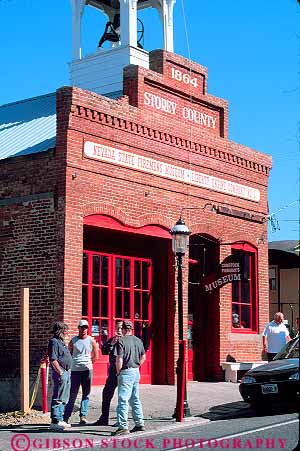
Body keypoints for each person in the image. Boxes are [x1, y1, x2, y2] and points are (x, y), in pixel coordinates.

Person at [63, 319, 98, 425]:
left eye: (86, 327)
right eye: (82, 327)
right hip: (75, 370)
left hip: (87, 370)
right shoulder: (73, 341)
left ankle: (83, 415)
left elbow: (96, 356)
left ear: (88, 328)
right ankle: (66, 417)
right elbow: (69, 354)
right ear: (78, 328)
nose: (84, 329)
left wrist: (88, 363)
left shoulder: (91, 340)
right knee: (72, 394)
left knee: (86, 393)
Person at [114, 320, 146, 435]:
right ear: (131, 329)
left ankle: (123, 426)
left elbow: (119, 359)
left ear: (122, 329)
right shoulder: (138, 340)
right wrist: (137, 365)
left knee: (123, 399)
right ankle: (139, 423)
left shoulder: (121, 341)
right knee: (135, 398)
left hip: (126, 371)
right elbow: (143, 356)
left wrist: (118, 372)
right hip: (136, 371)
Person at [93, 320, 123, 426]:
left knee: (123, 397)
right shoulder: (112, 340)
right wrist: (111, 343)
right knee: (106, 394)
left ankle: (121, 421)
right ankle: (104, 418)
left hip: (124, 373)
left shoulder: (127, 341)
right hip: (113, 373)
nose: (119, 330)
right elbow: (104, 351)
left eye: (120, 328)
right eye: (117, 328)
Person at [48, 321, 73, 431]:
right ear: (60, 331)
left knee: (64, 397)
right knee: (58, 396)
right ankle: (55, 420)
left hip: (67, 371)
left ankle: (60, 418)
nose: (67, 332)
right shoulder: (54, 342)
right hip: (61, 372)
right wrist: (61, 372)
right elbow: (53, 359)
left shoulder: (61, 342)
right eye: (65, 330)